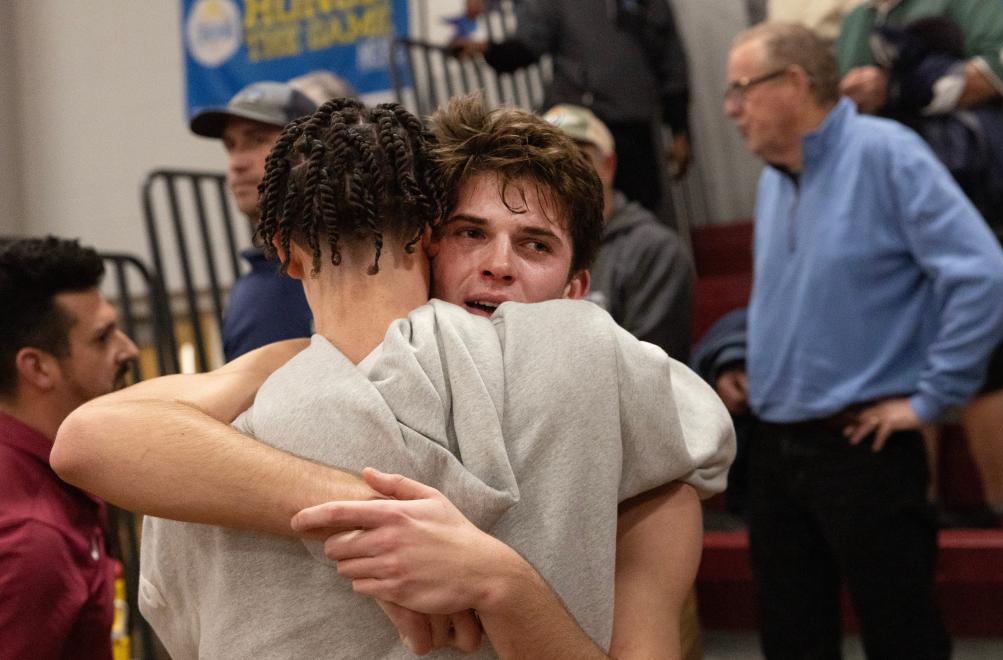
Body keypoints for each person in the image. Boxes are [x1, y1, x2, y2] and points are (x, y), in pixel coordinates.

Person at [53, 96, 734, 658]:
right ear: (429, 240)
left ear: (578, 286)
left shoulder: (619, 388)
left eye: (533, 245)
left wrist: (499, 581)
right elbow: (90, 438)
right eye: (471, 233)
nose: (497, 264)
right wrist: (380, 517)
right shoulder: (269, 390)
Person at [724, 22, 1003, 658]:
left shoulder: (888, 153)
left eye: (741, 88)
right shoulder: (777, 177)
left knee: (901, 634)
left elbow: (986, 278)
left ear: (794, 84)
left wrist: (933, 399)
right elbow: (793, 300)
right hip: (779, 448)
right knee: (791, 638)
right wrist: (745, 359)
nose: (730, 107)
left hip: (863, 447)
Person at [837, 0, 1003, 528]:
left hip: (978, 201)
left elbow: (997, 75)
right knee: (911, 363)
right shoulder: (855, 21)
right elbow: (835, 107)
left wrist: (894, 90)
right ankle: (924, 510)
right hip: (891, 214)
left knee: (988, 360)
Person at [0, 236, 139, 660]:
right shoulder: (33, 540)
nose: (129, 349)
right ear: (38, 367)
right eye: (102, 338)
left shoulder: (62, 480)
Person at [452, 0, 692, 214]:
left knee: (639, 216)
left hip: (633, 127)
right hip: (578, 129)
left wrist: (681, 130)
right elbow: (526, 47)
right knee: (571, 213)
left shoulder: (652, 5)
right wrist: (487, 48)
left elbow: (672, 64)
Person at [542, 103, 694, 361]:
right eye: (547, 164)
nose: (563, 176)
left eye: (578, 160)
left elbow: (647, 369)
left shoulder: (654, 250)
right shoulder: (524, 252)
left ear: (609, 165)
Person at [190, 80, 318, 361]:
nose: (236, 162)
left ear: (309, 152)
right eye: (230, 146)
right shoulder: (249, 290)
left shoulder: (350, 265)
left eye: (257, 140)